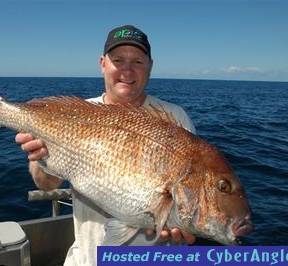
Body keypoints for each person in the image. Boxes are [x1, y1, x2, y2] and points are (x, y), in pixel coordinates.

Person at [16, 25, 196, 266]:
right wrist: (42, 159)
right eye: (118, 60)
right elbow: (46, 185)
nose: (127, 70)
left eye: (138, 62)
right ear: (103, 64)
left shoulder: (175, 118)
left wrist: (182, 219)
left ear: (150, 66)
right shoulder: (74, 115)